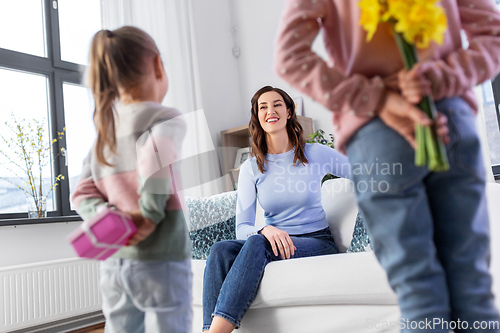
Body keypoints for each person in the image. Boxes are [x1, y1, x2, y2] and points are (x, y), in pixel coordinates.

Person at [275, 0, 500, 332]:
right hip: (449, 118)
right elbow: (492, 36)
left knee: (420, 294)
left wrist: (374, 97)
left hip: (377, 133)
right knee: (473, 288)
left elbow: (289, 57)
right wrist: (439, 77)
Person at [71, 26, 192, 333]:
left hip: (114, 262)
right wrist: (148, 215)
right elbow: (156, 152)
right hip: (161, 257)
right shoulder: (163, 117)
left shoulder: (105, 131)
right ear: (157, 66)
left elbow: (82, 192)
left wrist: (108, 219)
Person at [202, 86, 350, 332]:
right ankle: (208, 329)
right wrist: (264, 230)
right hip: (274, 242)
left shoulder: (315, 153)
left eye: (277, 104)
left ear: (289, 112)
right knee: (220, 250)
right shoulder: (252, 168)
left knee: (258, 243)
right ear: (257, 116)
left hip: (316, 241)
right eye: (263, 107)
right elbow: (243, 229)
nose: (270, 111)